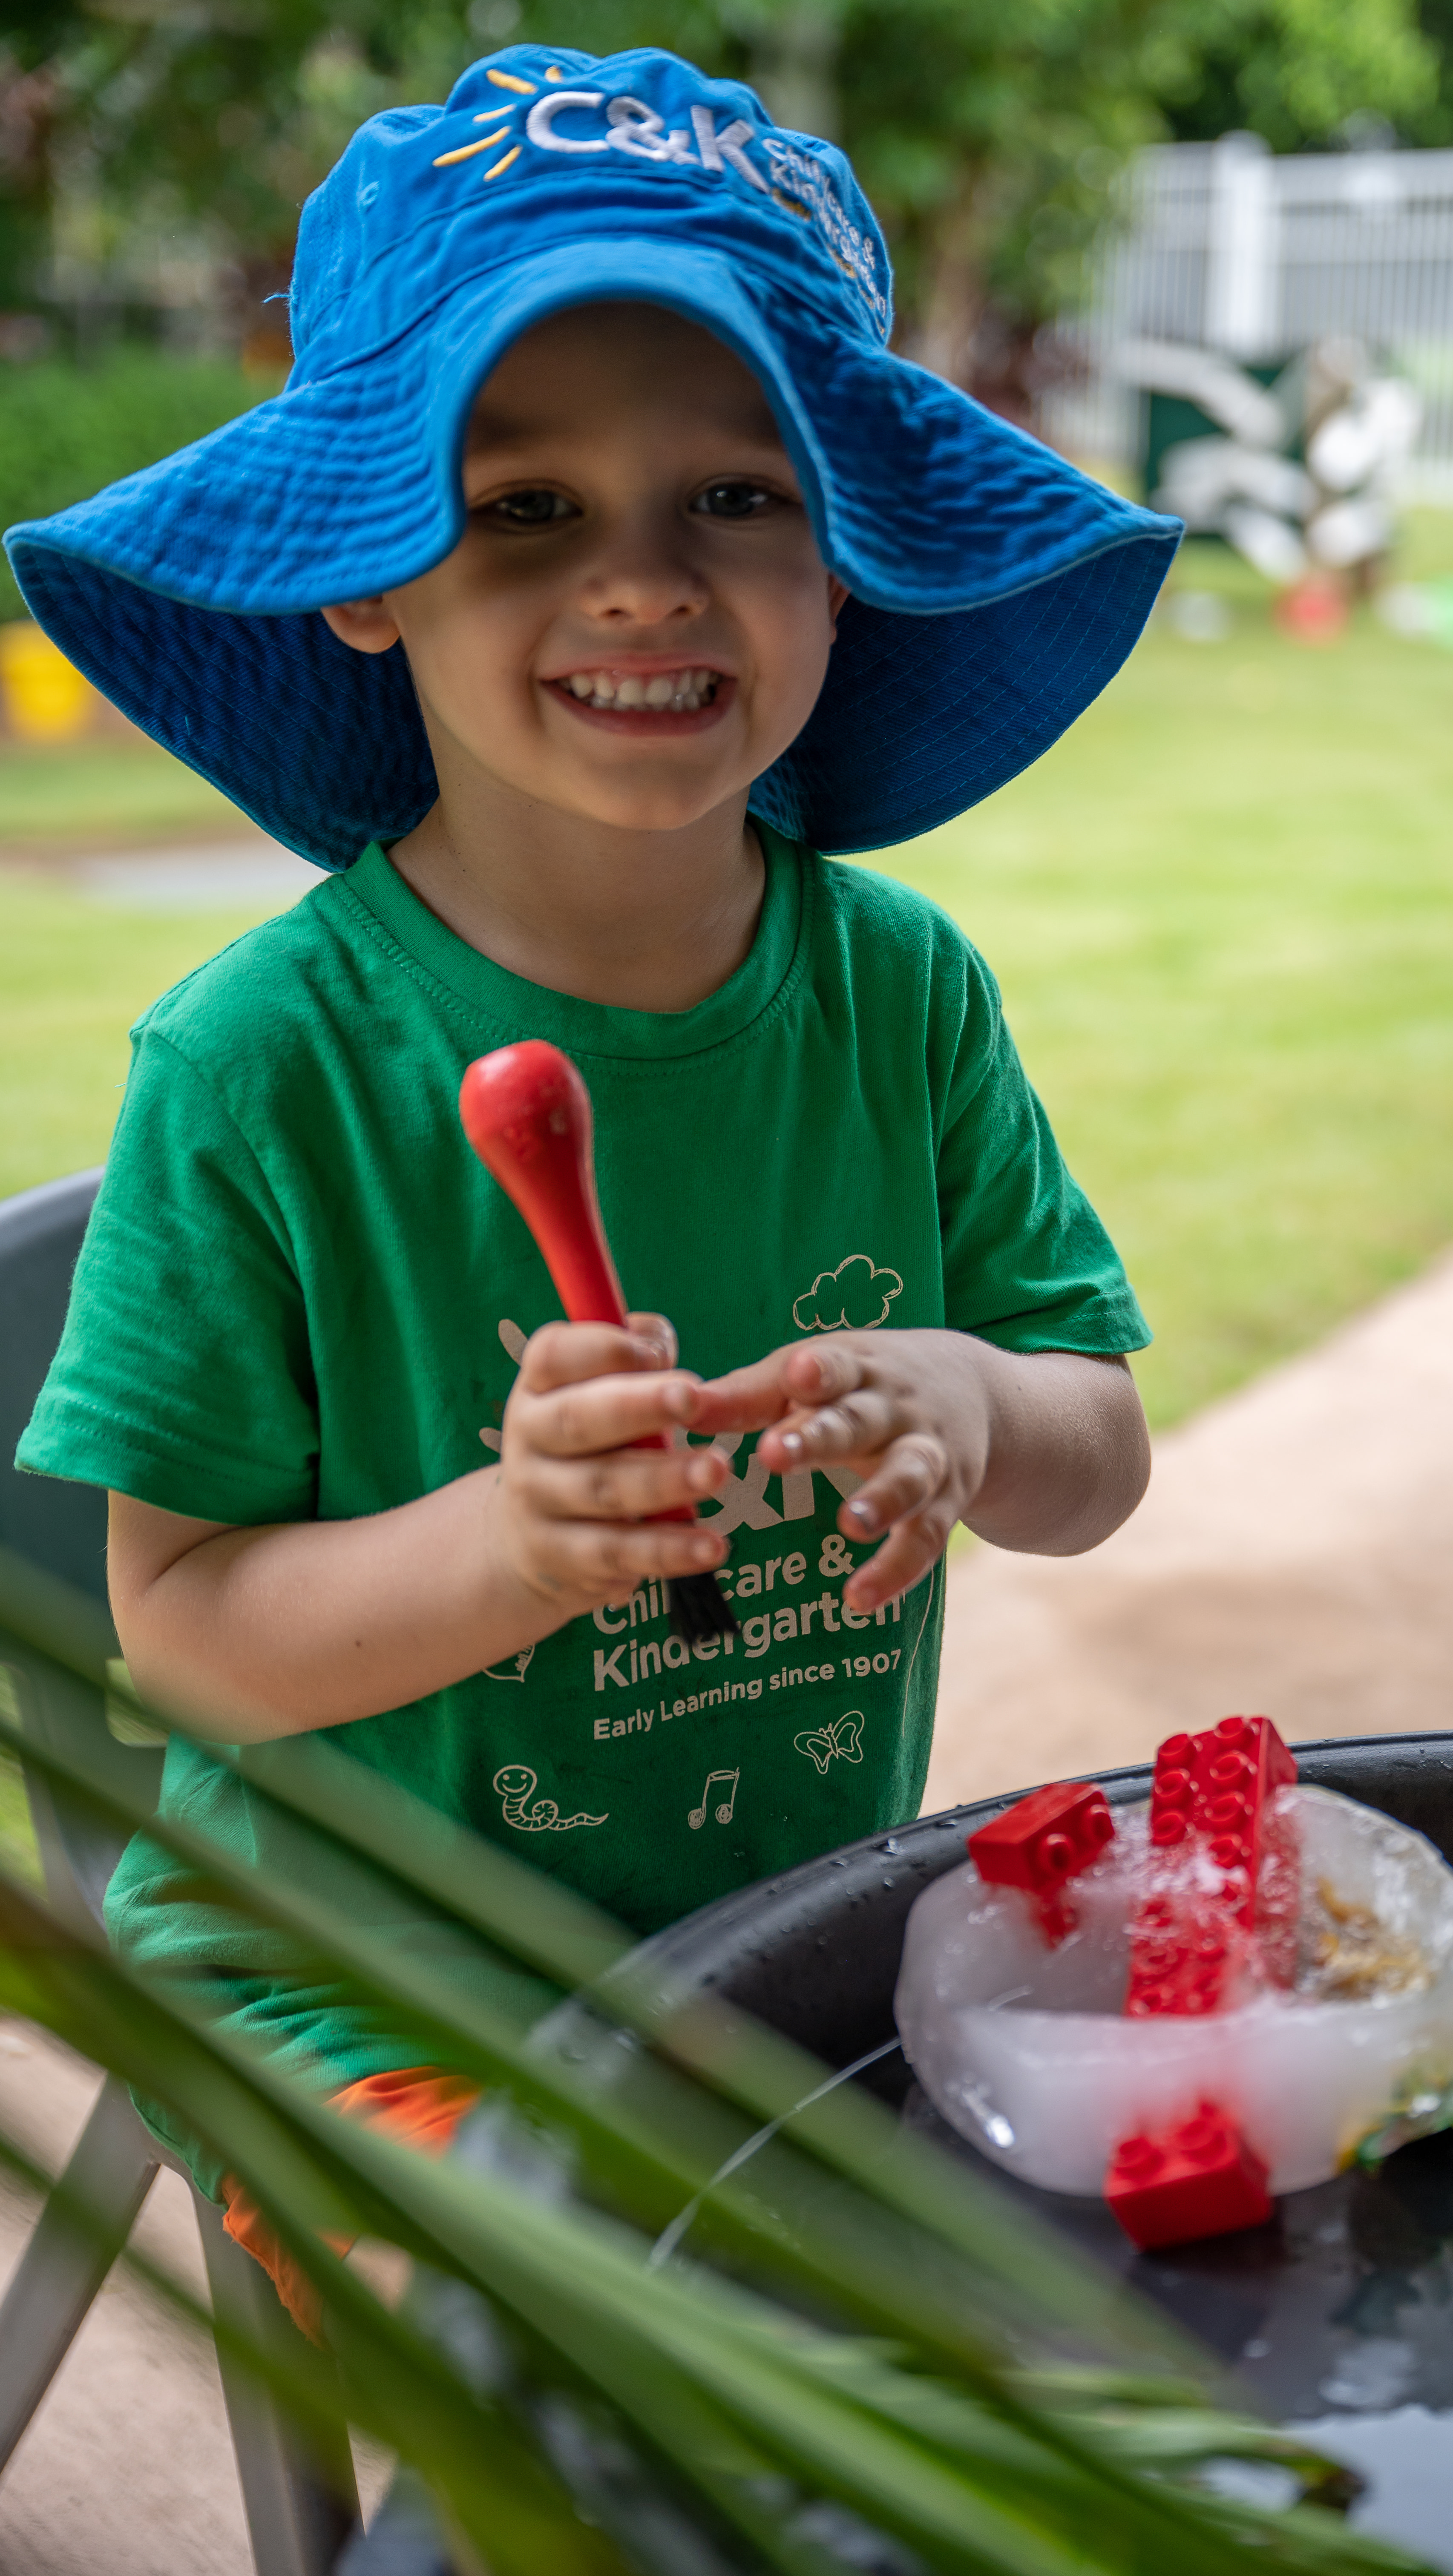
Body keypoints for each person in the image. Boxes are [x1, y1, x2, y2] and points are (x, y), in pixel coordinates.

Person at [9, 44, 1178, 2305]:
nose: (642, 586)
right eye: (526, 510)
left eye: (735, 498)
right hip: (367, 2001)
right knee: (700, 2389)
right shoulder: (261, 1065)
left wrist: (970, 1398)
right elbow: (182, 1643)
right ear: (363, 574)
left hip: (778, 1944)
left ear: (845, 558)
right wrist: (513, 1543)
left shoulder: (900, 996)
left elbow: (1094, 1445)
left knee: (1162, 2272)